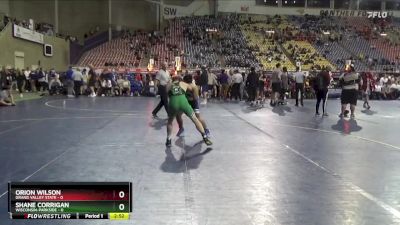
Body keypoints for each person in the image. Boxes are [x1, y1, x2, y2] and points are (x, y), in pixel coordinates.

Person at [165, 75, 212, 147]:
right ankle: (205, 137)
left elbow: (167, 94)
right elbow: (194, 90)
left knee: (170, 121)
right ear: (180, 80)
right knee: (195, 119)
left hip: (174, 103)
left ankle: (168, 140)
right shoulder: (184, 84)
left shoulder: (169, 85)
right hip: (184, 102)